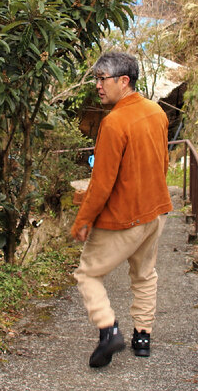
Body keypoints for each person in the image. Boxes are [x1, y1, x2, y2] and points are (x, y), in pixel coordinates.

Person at [70, 51, 173, 368]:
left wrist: (83, 220)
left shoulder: (114, 123)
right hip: (155, 213)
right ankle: (142, 338)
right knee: (144, 276)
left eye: (103, 79)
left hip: (123, 219)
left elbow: (101, 183)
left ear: (123, 81)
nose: (98, 85)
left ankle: (108, 330)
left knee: (88, 274)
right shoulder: (156, 112)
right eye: (97, 78)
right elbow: (163, 164)